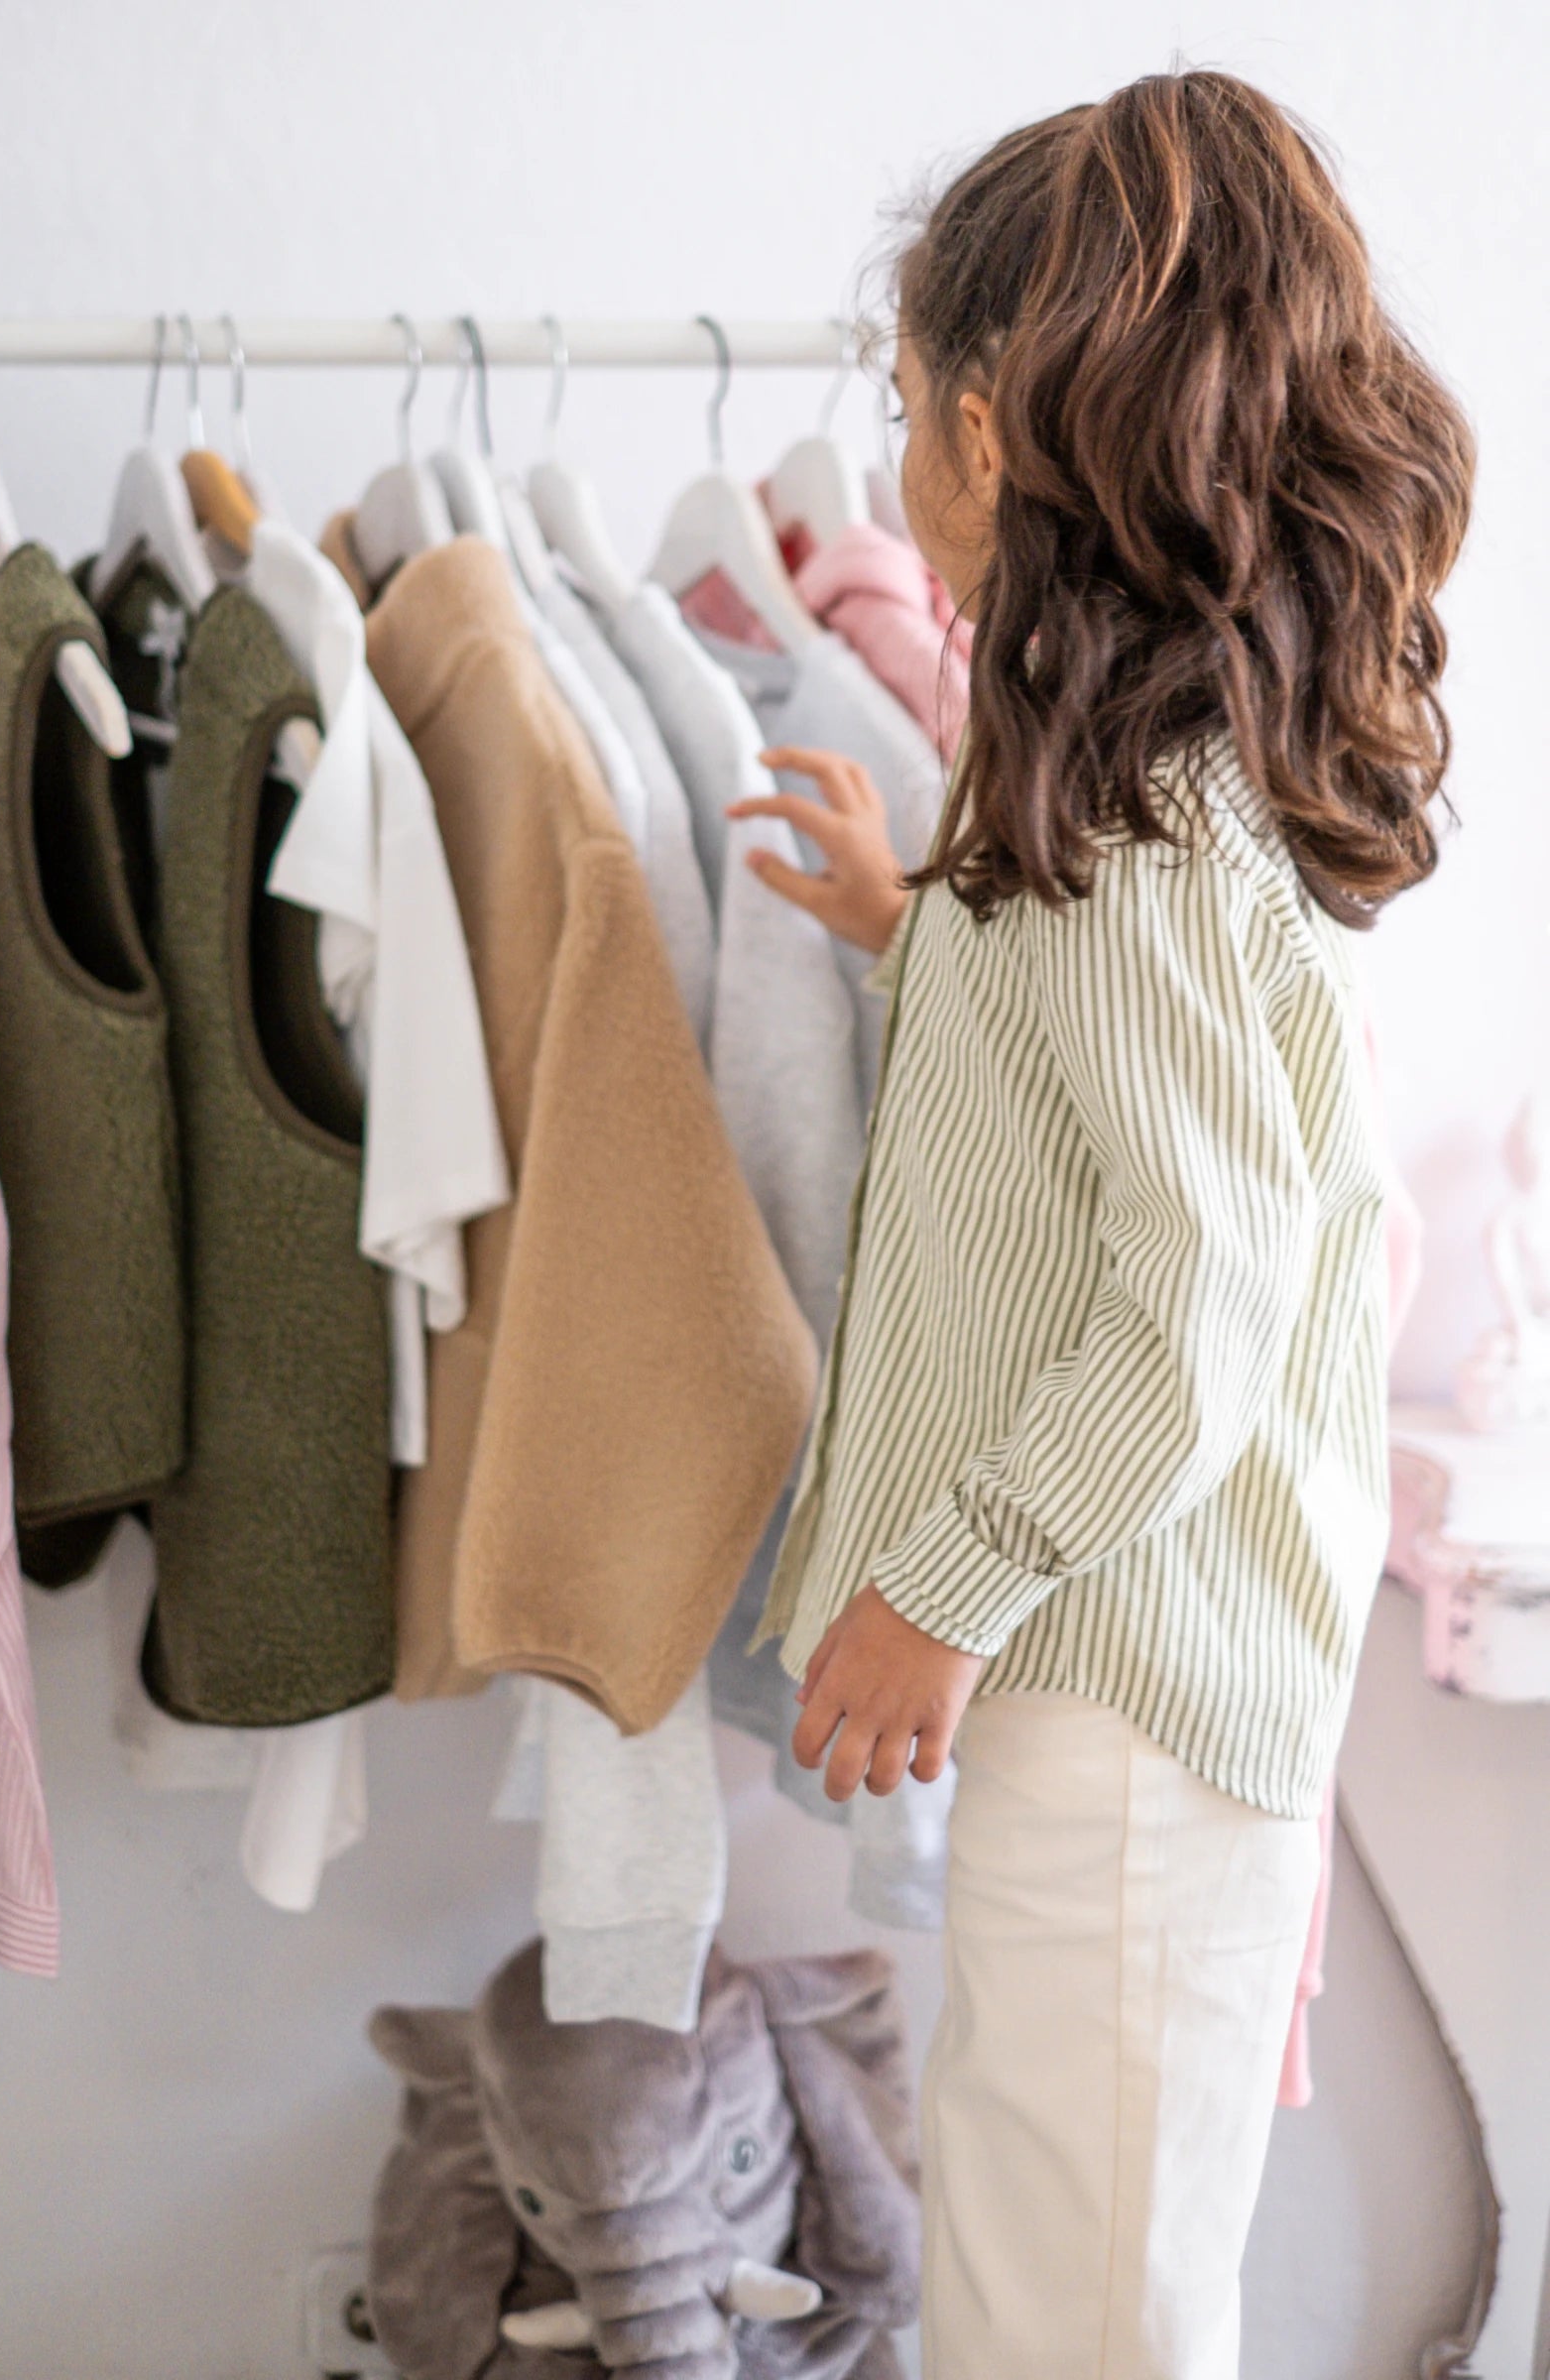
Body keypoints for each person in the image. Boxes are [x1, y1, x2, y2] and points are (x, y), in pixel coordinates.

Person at [731, 69, 1473, 2380]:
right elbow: (1093, 1129)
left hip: (1119, 1690)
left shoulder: (1137, 832)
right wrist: (904, 929)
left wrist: (937, 1587)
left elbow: (1204, 1304)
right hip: (1133, 1681)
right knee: (1059, 2260)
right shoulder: (1132, 799)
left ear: (984, 432)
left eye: (896, 423)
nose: (891, 474)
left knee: (1077, 2311)